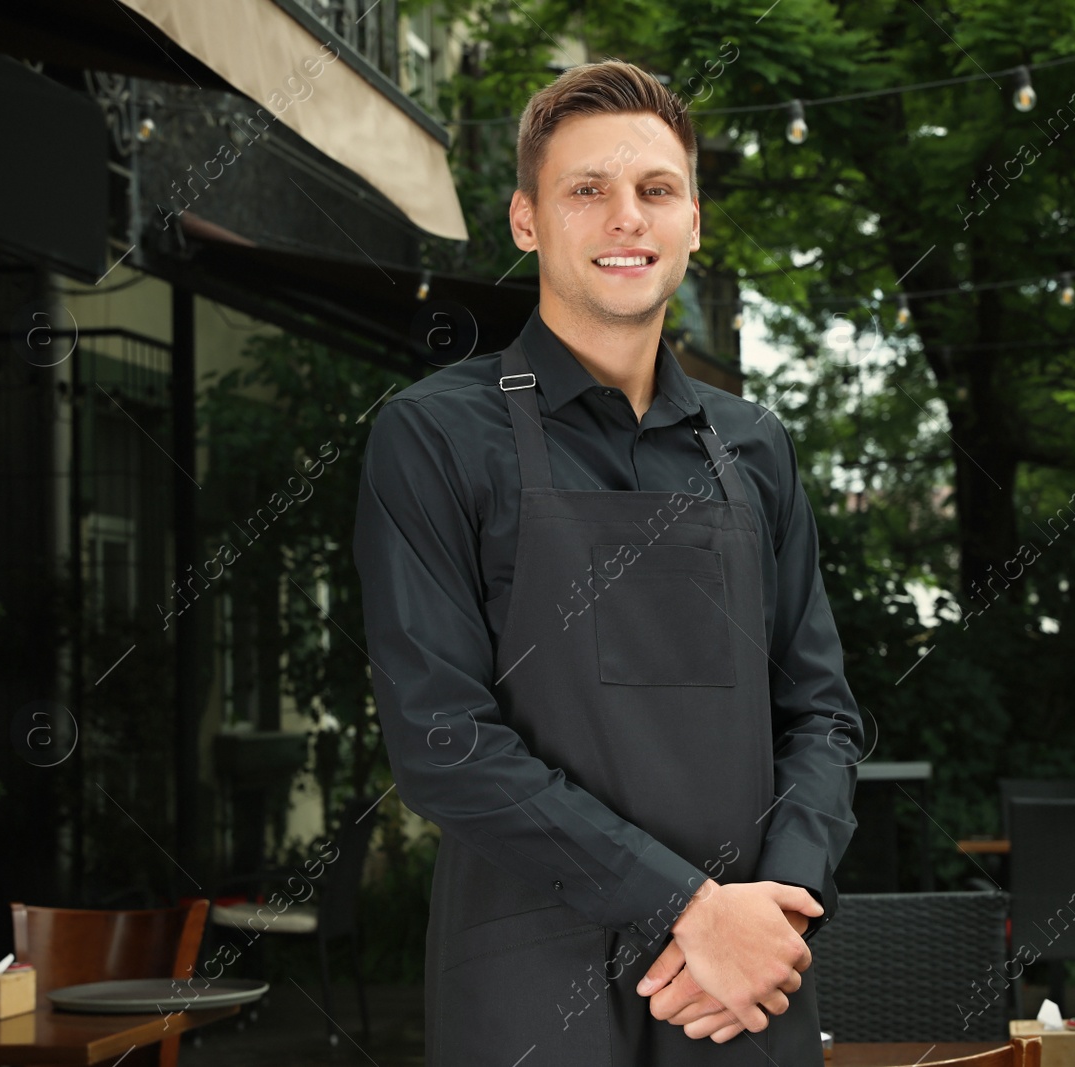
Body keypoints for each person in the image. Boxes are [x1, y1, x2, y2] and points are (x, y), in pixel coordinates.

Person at [354, 57, 863, 1066]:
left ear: (693, 222)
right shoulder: (433, 435)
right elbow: (439, 738)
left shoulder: (755, 445)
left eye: (655, 190)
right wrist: (685, 907)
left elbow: (822, 711)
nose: (626, 217)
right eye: (587, 189)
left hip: (740, 993)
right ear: (526, 221)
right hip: (532, 988)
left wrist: (780, 904)